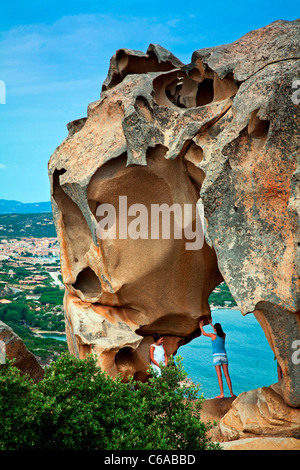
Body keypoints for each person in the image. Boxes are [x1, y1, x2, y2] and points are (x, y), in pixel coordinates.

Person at [199, 319, 236, 399]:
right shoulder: (224, 335)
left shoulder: (213, 336)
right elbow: (217, 330)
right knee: (227, 375)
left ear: (215, 329)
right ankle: (231, 393)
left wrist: (201, 326)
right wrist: (211, 324)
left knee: (219, 376)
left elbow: (204, 333)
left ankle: (222, 394)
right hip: (224, 356)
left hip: (216, 357)